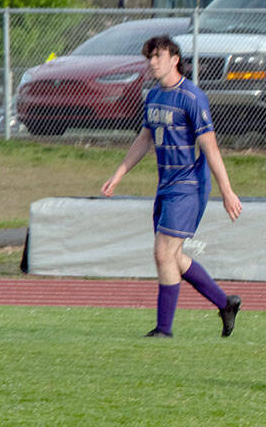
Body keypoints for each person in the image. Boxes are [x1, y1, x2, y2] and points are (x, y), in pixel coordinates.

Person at [101, 35, 244, 337]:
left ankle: (163, 331)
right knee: (174, 258)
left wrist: (227, 191)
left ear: (174, 59)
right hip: (166, 186)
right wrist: (119, 174)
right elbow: (145, 138)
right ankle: (225, 303)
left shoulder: (192, 97)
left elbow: (211, 147)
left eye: (157, 56)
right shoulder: (153, 96)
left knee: (163, 254)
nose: (152, 62)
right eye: (149, 57)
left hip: (189, 186)